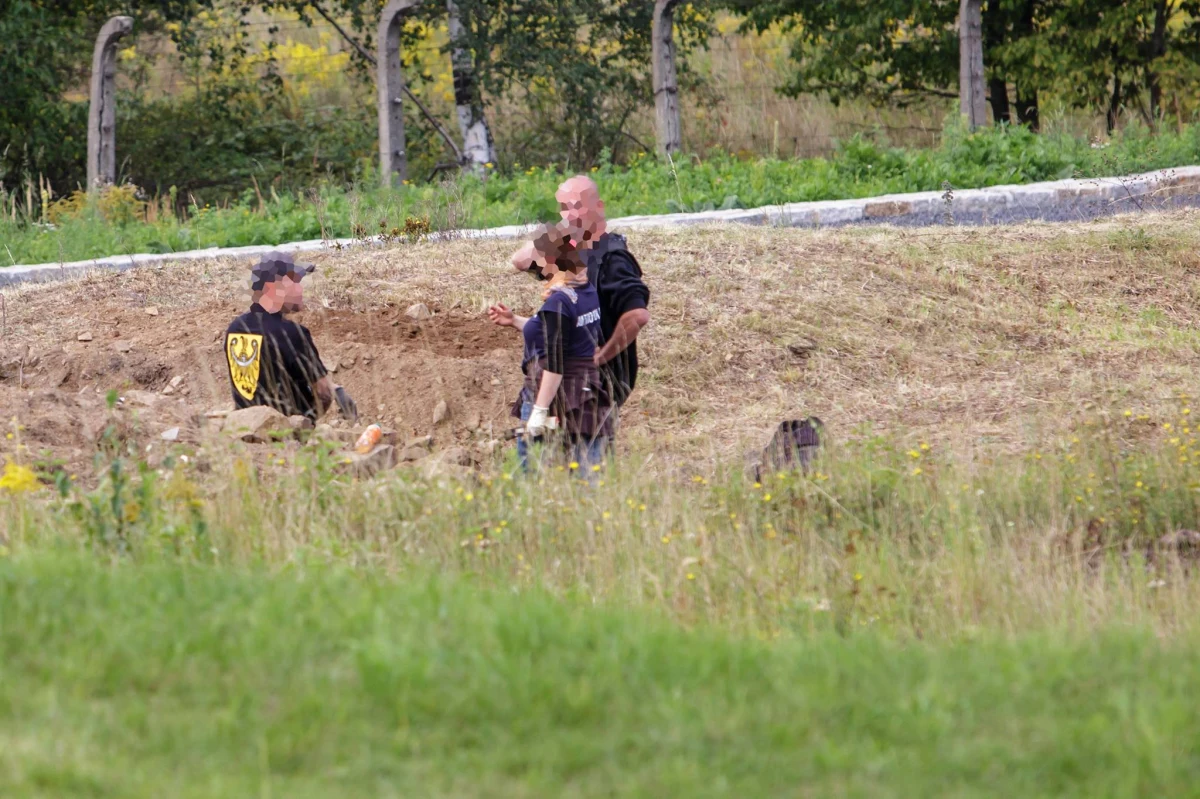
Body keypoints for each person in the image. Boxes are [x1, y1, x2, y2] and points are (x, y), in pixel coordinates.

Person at [510, 175, 650, 424]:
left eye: (577, 205)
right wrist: (557, 233)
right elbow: (520, 261)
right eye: (565, 208)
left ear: (599, 207)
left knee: (583, 455)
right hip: (566, 377)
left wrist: (603, 355)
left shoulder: (613, 258)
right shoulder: (571, 251)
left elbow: (637, 316)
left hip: (598, 381)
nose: (570, 214)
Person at [489, 224, 612, 472]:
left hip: (558, 397)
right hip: (585, 395)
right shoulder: (587, 290)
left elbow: (554, 363)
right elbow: (562, 334)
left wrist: (539, 411)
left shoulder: (559, 302)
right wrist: (515, 321)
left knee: (534, 478)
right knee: (586, 475)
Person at [224, 251, 356, 422]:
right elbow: (323, 393)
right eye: (296, 282)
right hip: (286, 432)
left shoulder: (235, 328)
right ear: (275, 287)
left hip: (244, 428)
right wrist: (307, 423)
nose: (301, 289)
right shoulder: (292, 334)